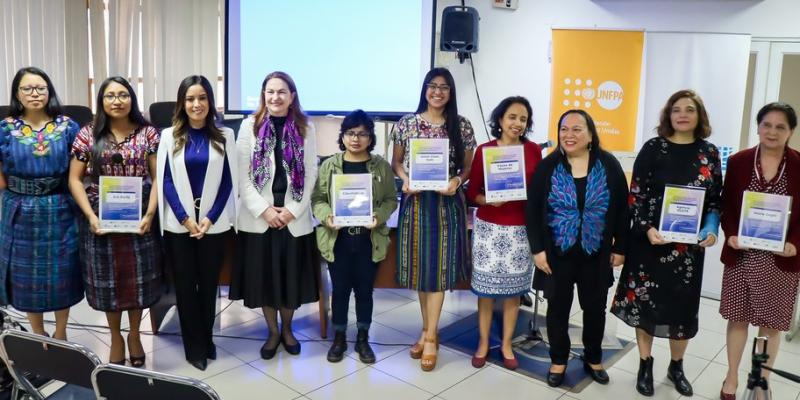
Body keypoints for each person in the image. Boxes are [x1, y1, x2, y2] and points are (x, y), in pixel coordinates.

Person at [611, 89, 722, 397]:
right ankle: (645, 363)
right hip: (650, 244)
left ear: (699, 115)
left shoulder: (709, 153)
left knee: (681, 311)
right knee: (644, 306)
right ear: (668, 115)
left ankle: (677, 365)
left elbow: (714, 201)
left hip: (687, 251)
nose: (682, 114)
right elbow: (637, 195)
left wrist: (710, 231)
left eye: (689, 109)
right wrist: (646, 228)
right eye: (676, 109)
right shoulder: (653, 148)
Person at [526, 109, 629, 387]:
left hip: (597, 254)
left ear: (591, 134)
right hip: (556, 254)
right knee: (558, 308)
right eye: (564, 129)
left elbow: (621, 209)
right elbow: (533, 211)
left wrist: (621, 246)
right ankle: (558, 360)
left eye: (576, 129)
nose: (569, 135)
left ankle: (593, 358)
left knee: (594, 309)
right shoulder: (548, 167)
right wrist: (537, 250)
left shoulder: (608, 165)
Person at [68, 76, 162, 366]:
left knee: (136, 282)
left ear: (132, 98)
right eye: (110, 95)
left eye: (123, 94)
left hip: (139, 215)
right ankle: (115, 336)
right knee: (107, 284)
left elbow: (159, 177)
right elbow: (74, 179)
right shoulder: (87, 134)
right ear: (101, 101)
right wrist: (91, 216)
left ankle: (134, 334)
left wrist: (150, 214)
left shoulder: (148, 134)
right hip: (100, 217)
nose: (117, 100)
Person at [390, 67, 476, 371]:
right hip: (415, 203)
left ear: (451, 93)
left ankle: (429, 338)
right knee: (420, 270)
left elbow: (468, 167)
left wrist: (457, 182)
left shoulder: (461, 126)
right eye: (432, 86)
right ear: (425, 89)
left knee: (438, 271)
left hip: (446, 205)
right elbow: (396, 163)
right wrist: (405, 180)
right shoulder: (406, 124)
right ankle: (429, 331)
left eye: (444, 87)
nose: (437, 92)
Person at [230, 71, 318, 360]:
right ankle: (271, 331)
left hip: (293, 218)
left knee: (290, 279)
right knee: (266, 281)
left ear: (292, 96)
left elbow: (311, 173)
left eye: (282, 91)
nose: (275, 97)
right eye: (270, 91)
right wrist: (265, 210)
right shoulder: (249, 127)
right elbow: (242, 177)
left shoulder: (306, 128)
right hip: (260, 219)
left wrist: (292, 210)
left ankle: (288, 329)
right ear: (263, 95)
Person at [718, 102, 800, 400]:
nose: (772, 131)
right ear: (758, 127)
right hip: (743, 256)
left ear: (791, 131)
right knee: (737, 318)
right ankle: (731, 377)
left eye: (781, 127)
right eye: (767, 124)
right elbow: (726, 207)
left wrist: (797, 244)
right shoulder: (740, 162)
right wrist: (731, 234)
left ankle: (761, 380)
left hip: (781, 260)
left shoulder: (799, 165)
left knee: (771, 323)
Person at [156, 75, 237, 371]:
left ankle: (207, 338)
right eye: (190, 99)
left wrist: (210, 217)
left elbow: (230, 181)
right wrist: (185, 218)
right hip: (181, 227)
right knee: (187, 289)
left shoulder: (225, 135)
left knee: (209, 286)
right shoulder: (169, 136)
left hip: (212, 227)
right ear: (182, 103)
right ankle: (194, 347)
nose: (196, 104)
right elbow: (164, 179)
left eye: (202, 98)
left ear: (210, 102)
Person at [0, 67, 83, 339]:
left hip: (60, 207)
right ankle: (37, 334)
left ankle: (61, 333)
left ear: (50, 92)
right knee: (28, 279)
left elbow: (79, 171)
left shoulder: (68, 127)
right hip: (20, 210)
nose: (35, 94)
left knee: (62, 272)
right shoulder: (5, 128)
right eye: (27, 88)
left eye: (41, 88)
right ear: (17, 94)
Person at [311, 109, 397, 364]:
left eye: (362, 134)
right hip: (338, 239)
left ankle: (362, 337)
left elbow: (391, 200)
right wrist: (327, 216)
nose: (356, 139)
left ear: (370, 137)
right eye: (350, 133)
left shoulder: (380, 165)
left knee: (364, 291)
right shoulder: (330, 165)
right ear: (343, 136)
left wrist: (378, 217)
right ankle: (339, 337)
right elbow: (317, 199)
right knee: (339, 291)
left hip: (368, 240)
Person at [465, 96, 542, 370]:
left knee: (513, 293)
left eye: (523, 119)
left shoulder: (533, 151)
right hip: (489, 229)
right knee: (485, 292)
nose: (517, 123)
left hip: (521, 230)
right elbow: (473, 193)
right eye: (512, 117)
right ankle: (483, 343)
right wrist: (489, 200)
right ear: (500, 119)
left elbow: (539, 191)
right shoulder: (485, 150)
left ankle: (507, 344)